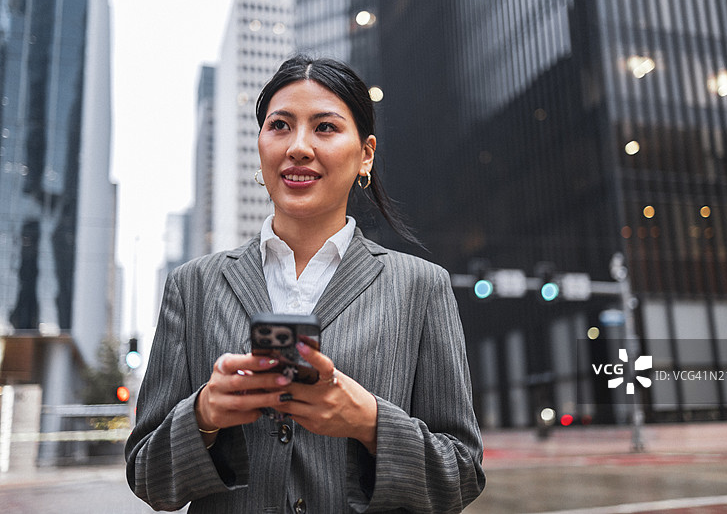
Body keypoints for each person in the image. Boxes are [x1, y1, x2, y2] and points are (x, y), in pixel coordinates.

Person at [125, 55, 485, 513]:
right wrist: (203, 416)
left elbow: (462, 477)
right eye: (280, 125)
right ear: (259, 145)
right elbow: (147, 477)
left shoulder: (420, 287)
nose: (298, 147)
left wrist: (370, 422)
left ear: (366, 154)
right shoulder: (193, 287)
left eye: (325, 128)